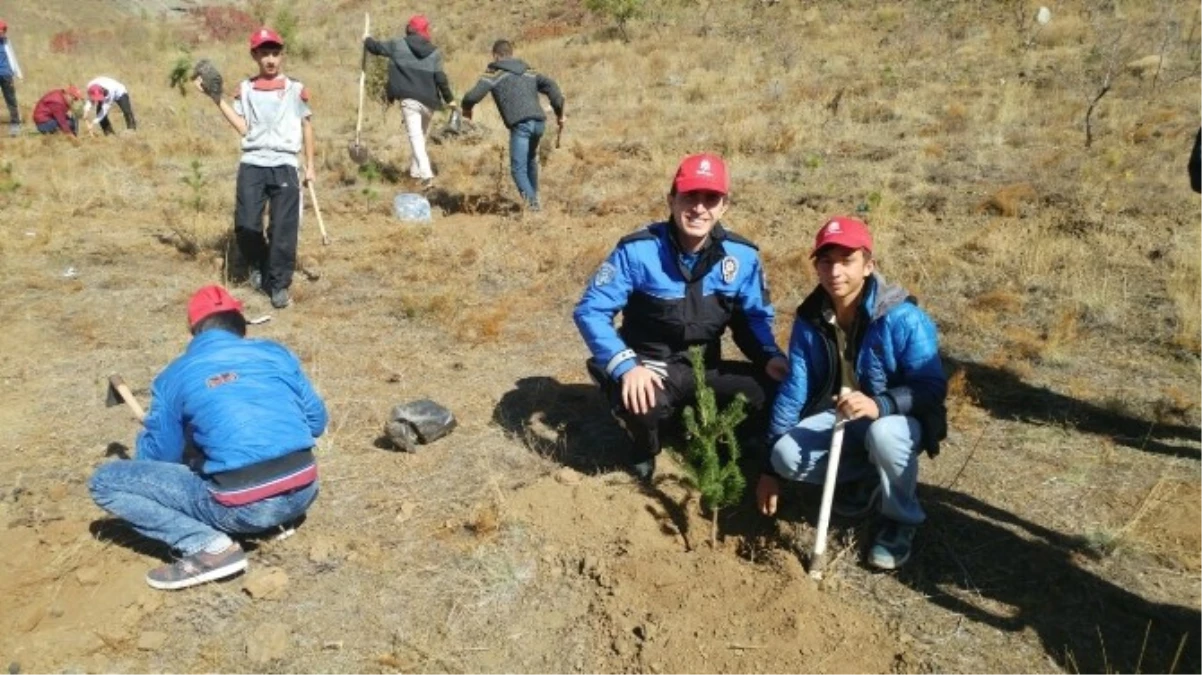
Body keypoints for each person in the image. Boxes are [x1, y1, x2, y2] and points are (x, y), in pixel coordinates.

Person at [89, 285, 327, 590]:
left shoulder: (173, 376)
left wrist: (155, 435)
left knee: (104, 482)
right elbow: (317, 422)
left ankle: (209, 548)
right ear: (240, 323)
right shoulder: (276, 353)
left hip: (244, 509)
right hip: (304, 491)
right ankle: (274, 521)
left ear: (194, 331)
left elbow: (158, 459)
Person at [574, 153, 787, 482]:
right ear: (672, 199)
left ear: (724, 206)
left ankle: (728, 439)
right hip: (652, 365)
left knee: (776, 389)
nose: (699, 208)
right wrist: (626, 366)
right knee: (644, 404)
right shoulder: (638, 251)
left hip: (705, 366)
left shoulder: (742, 257)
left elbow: (753, 319)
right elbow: (591, 310)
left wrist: (768, 355)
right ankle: (644, 444)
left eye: (711, 198)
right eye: (690, 196)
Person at [756, 216, 947, 570]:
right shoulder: (811, 318)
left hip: (899, 419)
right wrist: (769, 468)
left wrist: (881, 404)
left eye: (847, 260)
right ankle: (867, 478)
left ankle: (900, 520)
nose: (835, 272)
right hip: (844, 417)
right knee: (786, 455)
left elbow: (932, 387)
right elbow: (794, 390)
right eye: (826, 261)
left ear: (869, 265)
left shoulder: (902, 317)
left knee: (884, 433)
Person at [196, 27, 315, 310]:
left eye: (275, 53)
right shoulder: (246, 89)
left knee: (283, 229)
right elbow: (242, 127)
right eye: (264, 54)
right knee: (246, 225)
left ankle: (278, 284)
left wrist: (310, 166)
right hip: (253, 163)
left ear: (281, 55)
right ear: (255, 56)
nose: (270, 59)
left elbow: (307, 126)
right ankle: (260, 261)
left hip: (286, 163)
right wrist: (216, 99)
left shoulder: (296, 89)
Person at [461, 39, 565, 211]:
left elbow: (472, 96)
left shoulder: (494, 72)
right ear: (511, 53)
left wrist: (467, 110)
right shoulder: (529, 71)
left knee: (518, 170)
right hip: (539, 123)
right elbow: (551, 86)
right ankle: (534, 197)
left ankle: (534, 209)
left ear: (495, 56)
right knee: (530, 160)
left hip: (521, 125)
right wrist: (559, 111)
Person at [364, 14, 455, 189]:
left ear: (409, 29)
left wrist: (366, 39)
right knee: (420, 138)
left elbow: (375, 48)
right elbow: (440, 78)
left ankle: (426, 174)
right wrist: (450, 99)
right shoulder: (434, 52)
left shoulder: (398, 45)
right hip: (430, 102)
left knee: (416, 138)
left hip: (410, 100)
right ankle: (415, 174)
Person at [0, 19, 22, 136]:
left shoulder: (7, 42)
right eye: (0, 30)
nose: (2, 33)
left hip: (6, 75)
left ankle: (15, 124)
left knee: (11, 100)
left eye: (3, 30)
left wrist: (18, 73)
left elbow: (12, 57)